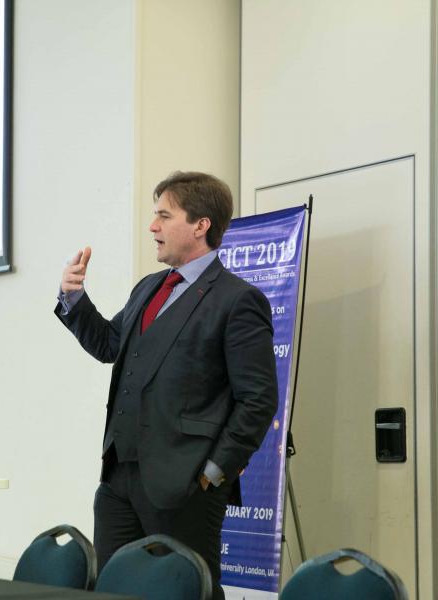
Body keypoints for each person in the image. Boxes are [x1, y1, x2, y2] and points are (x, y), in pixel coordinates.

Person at [55, 171, 278, 599]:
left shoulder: (237, 300)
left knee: (188, 591)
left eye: (164, 216)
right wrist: (74, 298)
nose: (152, 227)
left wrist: (214, 472)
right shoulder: (149, 288)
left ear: (200, 225)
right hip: (118, 479)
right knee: (114, 588)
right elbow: (109, 344)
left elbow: (258, 399)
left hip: (186, 485)